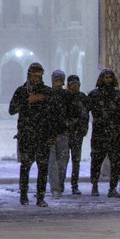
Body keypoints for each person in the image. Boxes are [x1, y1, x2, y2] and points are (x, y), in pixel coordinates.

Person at [9, 62, 59, 207]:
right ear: (29, 74)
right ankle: (23, 195)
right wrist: (27, 102)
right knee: (26, 166)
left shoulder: (47, 92)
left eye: (39, 75)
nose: (36, 77)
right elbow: (12, 110)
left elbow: (54, 114)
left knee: (43, 168)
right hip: (26, 135)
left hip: (43, 135)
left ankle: (40, 197)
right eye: (34, 74)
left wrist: (53, 133)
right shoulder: (22, 91)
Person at [86, 68, 120, 198]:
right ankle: (94, 185)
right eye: (106, 77)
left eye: (110, 77)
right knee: (96, 160)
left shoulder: (116, 94)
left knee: (116, 162)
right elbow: (86, 111)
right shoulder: (94, 94)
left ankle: (113, 188)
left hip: (114, 134)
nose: (108, 80)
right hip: (100, 133)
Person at [47, 70, 74, 199]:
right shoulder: (47, 95)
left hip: (63, 134)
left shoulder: (67, 96)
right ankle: (55, 188)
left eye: (60, 79)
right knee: (52, 163)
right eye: (56, 79)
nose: (58, 82)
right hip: (50, 134)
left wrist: (68, 129)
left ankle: (59, 185)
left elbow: (72, 114)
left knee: (62, 163)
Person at [66, 74, 89, 195]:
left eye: (76, 84)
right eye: (72, 84)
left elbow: (85, 116)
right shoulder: (65, 97)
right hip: (65, 134)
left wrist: (82, 130)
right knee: (63, 160)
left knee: (76, 160)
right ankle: (59, 183)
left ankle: (74, 185)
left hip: (77, 134)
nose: (74, 87)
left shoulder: (82, 97)